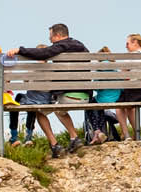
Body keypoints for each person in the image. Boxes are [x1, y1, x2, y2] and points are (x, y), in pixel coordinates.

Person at [10, 23, 87, 156]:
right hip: (85, 95)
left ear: (58, 35)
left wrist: (20, 50)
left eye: (50, 37)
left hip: (69, 96)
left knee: (41, 112)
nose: (50, 40)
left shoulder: (61, 46)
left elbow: (43, 53)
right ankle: (74, 138)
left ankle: (55, 146)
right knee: (60, 110)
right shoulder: (82, 47)